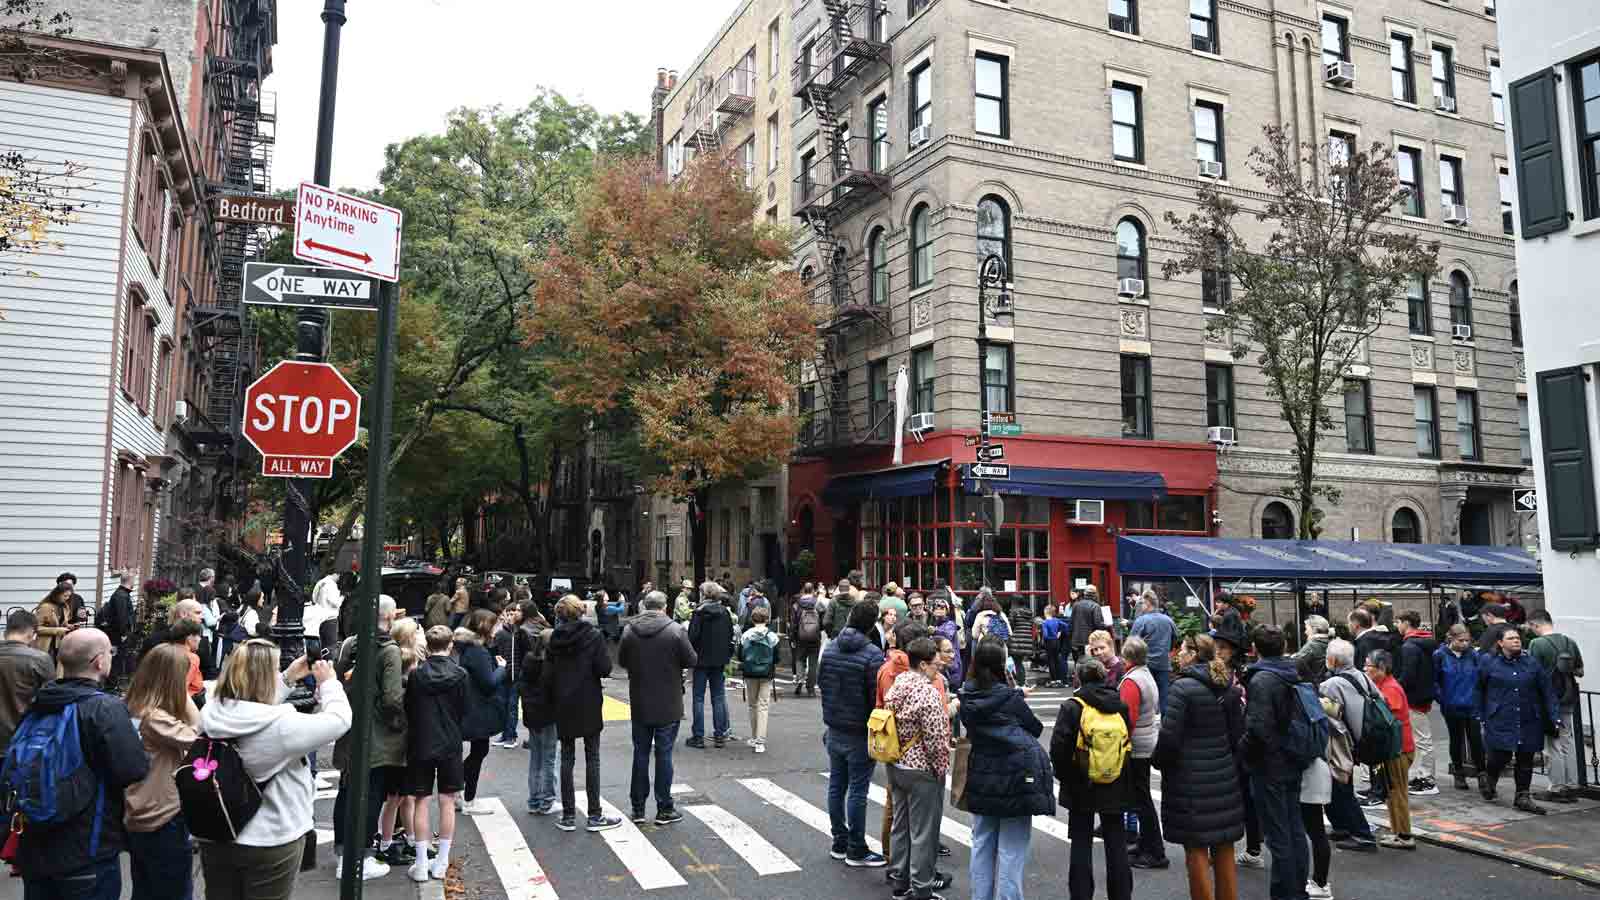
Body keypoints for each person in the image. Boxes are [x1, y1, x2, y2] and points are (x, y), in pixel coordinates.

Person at [199, 639, 351, 899]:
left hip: (217, 831)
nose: (277, 673)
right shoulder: (280, 727)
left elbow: (252, 707)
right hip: (269, 838)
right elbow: (339, 720)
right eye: (274, 669)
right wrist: (329, 684)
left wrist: (288, 677)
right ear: (263, 679)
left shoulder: (213, 710)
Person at [13, 629, 149, 900]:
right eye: (109, 652)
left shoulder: (40, 701)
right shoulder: (104, 708)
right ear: (99, 662)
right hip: (87, 848)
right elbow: (133, 769)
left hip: (36, 846)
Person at [960, 637, 1053, 900]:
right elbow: (1035, 728)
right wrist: (1016, 693)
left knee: (982, 843)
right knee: (1012, 849)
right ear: (1001, 664)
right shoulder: (1009, 697)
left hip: (982, 775)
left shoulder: (967, 695)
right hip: (1015, 777)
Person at [1154, 633, 1244, 900]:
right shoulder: (1226, 684)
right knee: (1224, 846)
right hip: (1223, 774)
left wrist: (1158, 761)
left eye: (1182, 650)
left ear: (1193, 654)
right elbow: (1238, 735)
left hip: (1189, 778)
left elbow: (1170, 738)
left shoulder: (1182, 688)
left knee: (1196, 849)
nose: (1178, 655)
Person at [331, 594, 408, 874]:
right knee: (372, 793)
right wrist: (399, 723)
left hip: (350, 728)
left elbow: (338, 678)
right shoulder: (389, 650)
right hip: (376, 734)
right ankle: (361, 858)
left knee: (346, 790)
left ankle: (343, 854)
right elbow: (392, 698)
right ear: (389, 616)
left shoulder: (351, 643)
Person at [123, 643, 201, 900]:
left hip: (137, 809)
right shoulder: (155, 718)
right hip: (162, 814)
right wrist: (185, 696)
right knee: (175, 890)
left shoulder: (131, 706)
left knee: (145, 887)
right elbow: (198, 736)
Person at [1239, 625, 1311, 899]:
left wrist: (1242, 751)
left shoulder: (1262, 680)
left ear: (1254, 649)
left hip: (1269, 764)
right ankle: (1298, 890)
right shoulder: (1295, 672)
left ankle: (1285, 894)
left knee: (1278, 835)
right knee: (1295, 829)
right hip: (1294, 756)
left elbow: (1258, 728)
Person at [1052, 656, 1133, 900]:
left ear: (1078, 677)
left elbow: (1059, 749)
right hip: (1115, 781)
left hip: (1081, 782)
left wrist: (1066, 777)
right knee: (1116, 843)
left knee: (1081, 844)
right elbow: (1127, 743)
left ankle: (1081, 895)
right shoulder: (1119, 704)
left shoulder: (1073, 706)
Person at [883, 637, 955, 900]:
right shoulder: (928, 693)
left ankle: (899, 881)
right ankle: (922, 888)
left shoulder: (899, 683)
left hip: (896, 761)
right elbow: (936, 739)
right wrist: (941, 769)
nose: (939, 665)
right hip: (921, 768)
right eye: (935, 662)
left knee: (900, 825)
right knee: (924, 833)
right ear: (923, 664)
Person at [818, 597, 887, 868]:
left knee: (837, 786)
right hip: (860, 729)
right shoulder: (872, 654)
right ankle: (856, 848)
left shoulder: (831, 648)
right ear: (871, 625)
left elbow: (822, 683)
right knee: (858, 790)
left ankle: (840, 840)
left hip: (835, 725)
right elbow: (876, 697)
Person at [542, 595, 621, 833]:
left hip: (563, 701)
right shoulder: (593, 636)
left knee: (567, 758)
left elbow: (548, 674)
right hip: (588, 699)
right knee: (592, 757)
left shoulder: (554, 638)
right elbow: (604, 668)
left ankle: (568, 815)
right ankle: (594, 814)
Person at [618, 590, 697, 824]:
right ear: (665, 607)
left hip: (640, 699)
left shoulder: (630, 630)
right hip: (668, 700)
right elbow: (691, 660)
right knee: (664, 754)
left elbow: (622, 661)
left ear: (644, 605)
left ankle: (638, 808)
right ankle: (664, 807)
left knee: (640, 753)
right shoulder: (675, 630)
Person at [405, 625, 467, 881]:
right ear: (450, 645)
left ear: (428, 647)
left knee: (421, 800)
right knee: (447, 800)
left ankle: (421, 863)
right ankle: (441, 861)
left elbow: (409, 707)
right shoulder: (460, 675)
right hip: (450, 740)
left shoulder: (417, 675)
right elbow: (464, 709)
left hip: (422, 740)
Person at [1476, 627, 1559, 815]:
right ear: (1500, 643)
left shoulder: (1531, 662)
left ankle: (1522, 796)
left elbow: (1547, 690)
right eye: (1511, 638)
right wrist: (1480, 714)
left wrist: (1554, 715)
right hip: (1500, 717)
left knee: (1525, 757)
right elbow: (1478, 689)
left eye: (1517, 638)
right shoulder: (1489, 662)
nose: (1516, 641)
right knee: (1500, 755)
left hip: (1528, 718)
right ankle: (1490, 779)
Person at [1318, 638, 1378, 852]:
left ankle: (1363, 835)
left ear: (1333, 661)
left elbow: (1329, 718)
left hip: (1342, 744)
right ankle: (1341, 827)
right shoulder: (1362, 676)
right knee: (1338, 786)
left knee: (1341, 788)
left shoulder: (1331, 685)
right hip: (1363, 739)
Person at [1117, 636, 1166, 869]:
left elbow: (1128, 718)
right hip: (1147, 741)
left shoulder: (1131, 681)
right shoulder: (1146, 675)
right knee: (1141, 797)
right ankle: (1146, 844)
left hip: (1137, 746)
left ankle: (1155, 851)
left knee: (1141, 799)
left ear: (1127, 657)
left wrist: (1120, 743)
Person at [1527, 609, 1585, 803]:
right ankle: (1572, 785)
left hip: (1549, 699)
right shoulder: (1570, 642)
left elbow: (1532, 673)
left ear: (1535, 624)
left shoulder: (1537, 644)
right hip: (1569, 697)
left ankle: (1557, 788)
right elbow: (1580, 671)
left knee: (1553, 744)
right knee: (1567, 741)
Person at [1363, 649, 1417, 848]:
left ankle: (1404, 835)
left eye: (1368, 665)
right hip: (1393, 749)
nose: (1365, 669)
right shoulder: (1382, 685)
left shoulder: (1390, 688)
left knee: (1397, 792)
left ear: (1382, 668)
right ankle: (1397, 832)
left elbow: (1385, 718)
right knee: (1392, 792)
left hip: (1399, 749)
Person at [453, 609, 504, 815]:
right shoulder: (478, 651)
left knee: (478, 751)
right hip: (479, 710)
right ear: (486, 627)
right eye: (495, 624)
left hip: (471, 706)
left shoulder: (469, 647)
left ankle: (459, 792)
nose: (498, 627)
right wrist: (502, 668)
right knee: (479, 751)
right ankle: (467, 798)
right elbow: (489, 683)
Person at [1295, 655, 1334, 900]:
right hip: (1319, 768)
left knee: (1311, 830)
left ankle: (1319, 883)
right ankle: (1320, 882)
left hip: (1308, 771)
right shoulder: (1315, 698)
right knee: (1315, 829)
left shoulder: (1300, 699)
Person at [1432, 623, 1485, 791]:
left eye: (1467, 641)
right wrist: (1443, 699)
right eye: (1461, 640)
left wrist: (1479, 698)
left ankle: (1482, 773)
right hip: (1452, 705)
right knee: (1456, 739)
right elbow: (1434, 681)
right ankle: (1458, 772)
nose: (1465, 644)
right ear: (1451, 639)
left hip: (1472, 705)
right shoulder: (1440, 655)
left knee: (1476, 740)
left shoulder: (1473, 655)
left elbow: (1481, 677)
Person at [520, 599, 559, 816]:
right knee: (549, 758)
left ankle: (534, 800)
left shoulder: (529, 661)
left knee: (535, 759)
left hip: (531, 714)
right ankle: (547, 800)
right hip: (548, 715)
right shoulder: (551, 666)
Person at [1395, 610, 1439, 796]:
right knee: (1421, 738)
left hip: (1413, 697)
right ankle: (1423, 775)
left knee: (1422, 739)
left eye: (1398, 622)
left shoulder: (1409, 646)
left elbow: (1408, 675)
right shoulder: (1426, 642)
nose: (1397, 626)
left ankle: (1427, 779)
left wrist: (1395, 687)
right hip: (1424, 694)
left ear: (1406, 623)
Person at [687, 581, 735, 749]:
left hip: (701, 659)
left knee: (698, 698)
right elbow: (730, 634)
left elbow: (692, 637)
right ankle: (719, 735)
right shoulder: (725, 612)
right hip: (719, 659)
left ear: (703, 595)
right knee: (718, 697)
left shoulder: (699, 613)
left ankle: (698, 736)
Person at [0, 609, 55, 749]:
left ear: (6, 631)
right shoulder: (40, 659)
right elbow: (50, 701)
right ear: (32, 634)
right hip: (22, 739)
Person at [738, 606, 780, 753]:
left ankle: (754, 736)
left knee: (752, 705)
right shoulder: (772, 636)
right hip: (766, 673)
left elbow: (740, 656)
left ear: (752, 619)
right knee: (763, 705)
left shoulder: (746, 635)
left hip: (750, 673)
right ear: (767, 619)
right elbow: (777, 658)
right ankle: (760, 742)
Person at [492, 602, 529, 749]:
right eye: (507, 614)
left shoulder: (519, 633)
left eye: (513, 614)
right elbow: (494, 651)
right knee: (503, 706)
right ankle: (505, 734)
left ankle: (511, 736)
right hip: (504, 674)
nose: (509, 617)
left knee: (512, 707)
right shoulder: (501, 633)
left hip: (516, 676)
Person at [1129, 590, 1177, 705]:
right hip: (1164, 665)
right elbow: (1175, 639)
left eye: (1142, 603)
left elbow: (1131, 644)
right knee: (1164, 700)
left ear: (1147, 603)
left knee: (1146, 700)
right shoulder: (1169, 620)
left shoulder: (1141, 621)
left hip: (1145, 666)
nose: (1141, 606)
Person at [102, 573, 136, 682]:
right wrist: (123, 634)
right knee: (115, 659)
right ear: (130, 581)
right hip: (117, 635)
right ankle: (111, 684)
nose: (134, 582)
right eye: (133, 580)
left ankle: (114, 682)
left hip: (118, 634)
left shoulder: (123, 594)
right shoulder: (121, 596)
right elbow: (122, 616)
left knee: (118, 659)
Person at [790, 590, 824, 697]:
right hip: (815, 638)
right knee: (813, 663)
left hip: (800, 638)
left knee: (799, 659)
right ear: (812, 591)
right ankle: (811, 688)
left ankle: (800, 679)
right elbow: (824, 621)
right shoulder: (818, 604)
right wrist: (818, 630)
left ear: (803, 591)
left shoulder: (797, 605)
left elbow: (793, 624)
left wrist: (792, 638)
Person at [32, 582, 76, 657]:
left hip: (59, 644)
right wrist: (57, 630)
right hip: (46, 646)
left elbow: (60, 623)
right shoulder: (46, 607)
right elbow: (36, 628)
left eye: (69, 596)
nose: (67, 598)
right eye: (65, 596)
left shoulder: (64, 607)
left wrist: (69, 626)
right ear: (57, 594)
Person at [1005, 596, 1037, 686]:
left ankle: (1020, 682)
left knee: (1017, 663)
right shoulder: (1029, 613)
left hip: (1016, 641)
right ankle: (1021, 681)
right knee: (1019, 663)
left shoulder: (1014, 612)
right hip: (1027, 640)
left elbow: (1010, 626)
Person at [1292, 615, 1331, 685]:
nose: (1305, 632)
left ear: (1314, 629)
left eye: (1307, 629)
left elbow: (1295, 665)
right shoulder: (1331, 643)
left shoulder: (1311, 646)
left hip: (1313, 686)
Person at [1068, 587, 1102, 665]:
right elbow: (1098, 624)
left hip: (1076, 640)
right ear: (1095, 595)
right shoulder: (1095, 606)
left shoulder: (1076, 605)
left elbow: (1071, 622)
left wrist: (1070, 638)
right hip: (1089, 640)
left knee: (1078, 663)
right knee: (1089, 664)